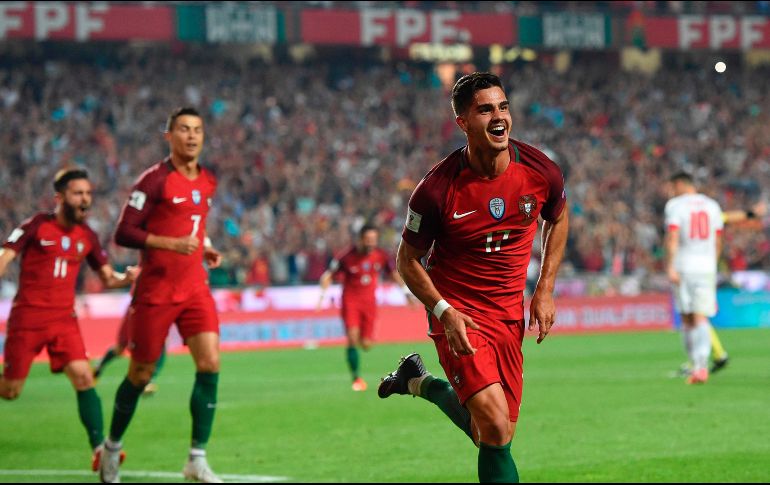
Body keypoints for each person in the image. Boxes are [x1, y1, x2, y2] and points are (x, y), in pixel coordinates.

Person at [378, 72, 568, 483]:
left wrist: (545, 287)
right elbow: (407, 260)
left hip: (508, 317)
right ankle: (421, 378)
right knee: (496, 428)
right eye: (485, 110)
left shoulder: (540, 170)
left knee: (491, 434)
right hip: (459, 316)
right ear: (462, 122)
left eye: (503, 106)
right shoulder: (436, 190)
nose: (498, 116)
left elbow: (558, 215)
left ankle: (418, 382)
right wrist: (444, 312)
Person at [98, 107, 224, 483]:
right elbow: (124, 232)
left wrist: (205, 247)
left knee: (210, 363)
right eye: (183, 129)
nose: (191, 136)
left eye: (197, 130)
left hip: (194, 287)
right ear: (169, 136)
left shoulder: (208, 181)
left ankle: (196, 459)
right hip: (155, 290)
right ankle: (111, 449)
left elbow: (195, 226)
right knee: (140, 373)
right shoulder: (153, 181)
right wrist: (172, 244)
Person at [0, 168, 137, 469]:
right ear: (60, 197)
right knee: (10, 391)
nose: (85, 199)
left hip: (64, 320)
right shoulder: (36, 225)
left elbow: (107, 278)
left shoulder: (87, 236)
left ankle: (100, 450)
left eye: (88, 193)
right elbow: (6, 255)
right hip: (28, 319)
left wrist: (127, 277)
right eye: (78, 193)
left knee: (84, 376)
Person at [317, 224, 413, 391]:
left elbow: (393, 274)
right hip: (350, 302)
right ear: (360, 239)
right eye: (368, 240)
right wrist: (321, 296)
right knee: (352, 338)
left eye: (373, 240)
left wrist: (406, 292)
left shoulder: (381, 255)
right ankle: (356, 378)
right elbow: (328, 275)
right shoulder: (346, 256)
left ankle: (360, 353)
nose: (371, 243)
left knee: (366, 344)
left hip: (369, 303)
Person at [664, 172, 724, 384]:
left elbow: (673, 237)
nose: (671, 191)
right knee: (699, 317)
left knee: (688, 318)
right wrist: (712, 264)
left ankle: (697, 366)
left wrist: (670, 266)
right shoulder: (712, 205)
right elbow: (718, 240)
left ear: (680, 184)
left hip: (683, 266)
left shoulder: (675, 206)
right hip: (706, 267)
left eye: (673, 186)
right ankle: (699, 367)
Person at [93, 301, 167, 397]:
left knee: (159, 344)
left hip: (157, 310)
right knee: (120, 348)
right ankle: (99, 366)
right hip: (137, 310)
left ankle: (149, 379)